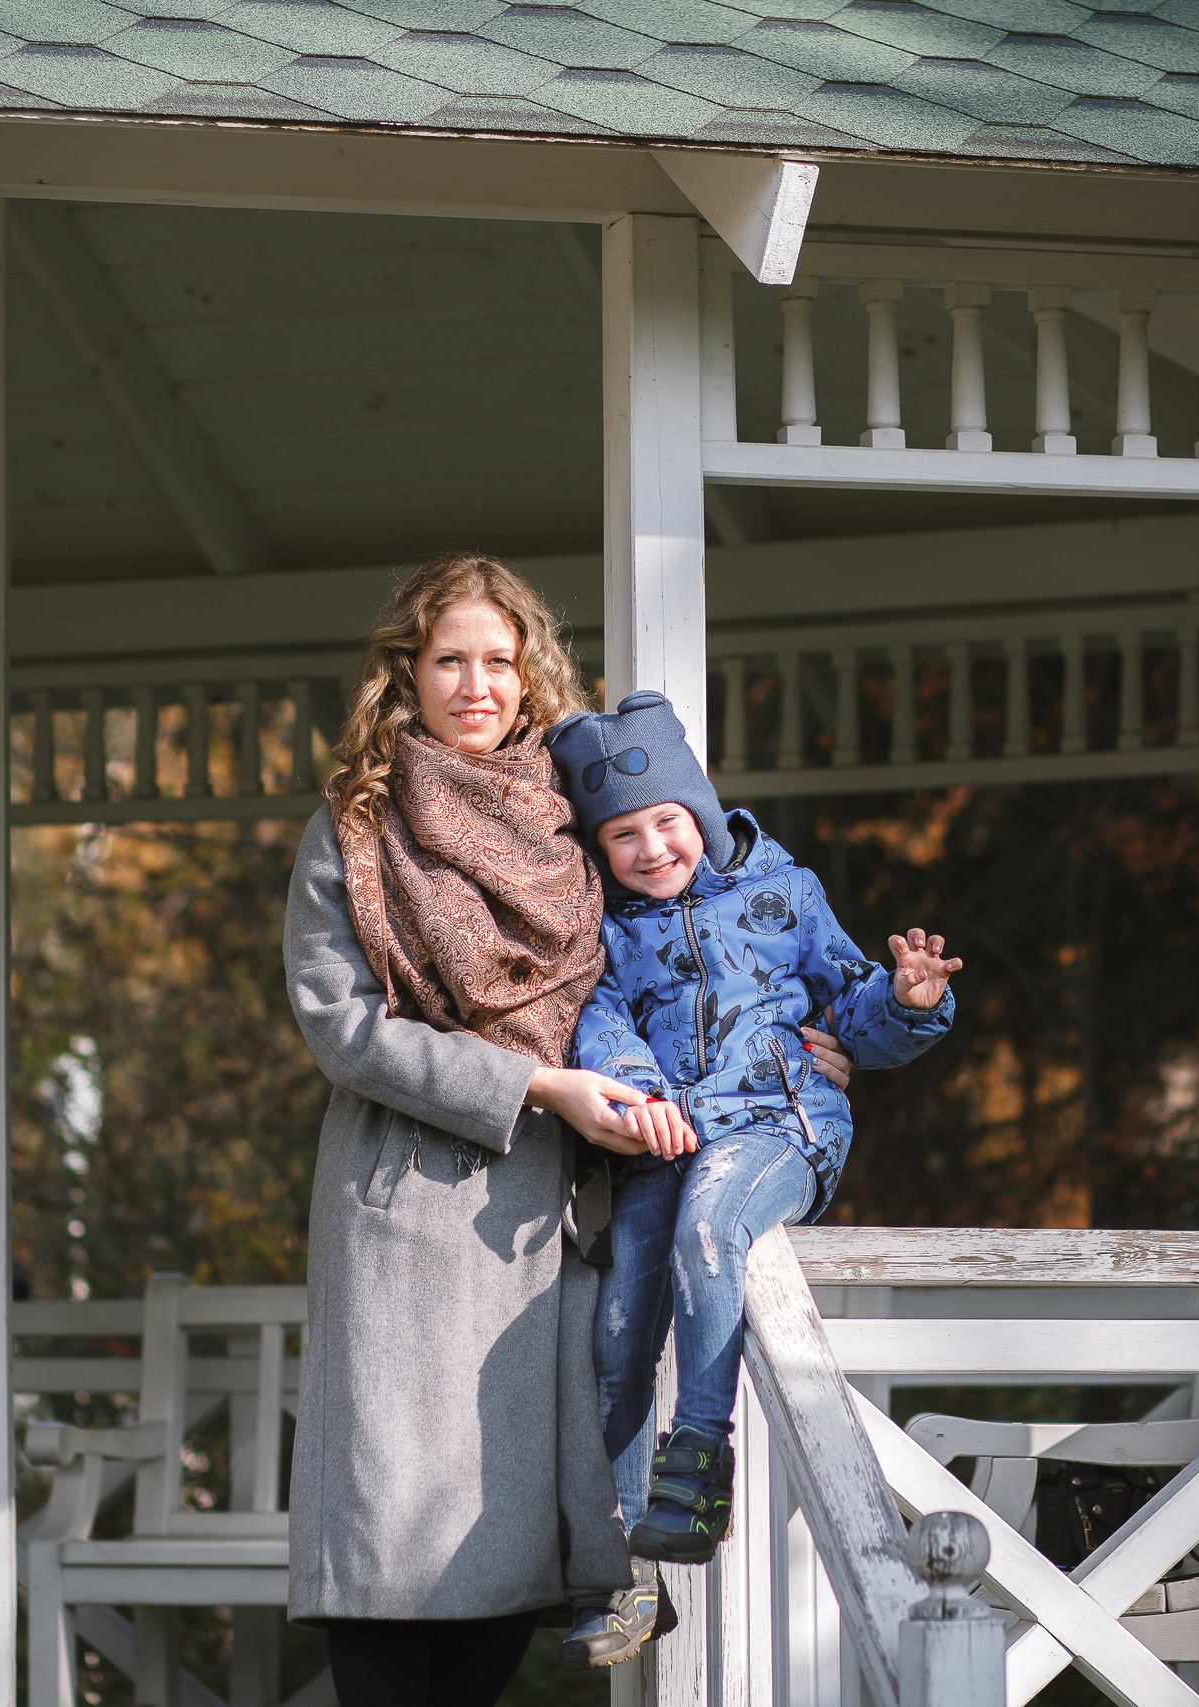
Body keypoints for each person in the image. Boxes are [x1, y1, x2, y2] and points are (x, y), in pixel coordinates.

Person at [282, 556, 856, 1707]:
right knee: (393, 1543)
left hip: (563, 1211)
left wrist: (807, 1037)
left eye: (499, 661)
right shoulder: (356, 825)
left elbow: (691, 956)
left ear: (529, 672)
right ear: (408, 671)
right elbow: (343, 1031)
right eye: (450, 660)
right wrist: (539, 1087)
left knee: (512, 1543)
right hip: (412, 1208)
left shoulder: (576, 817)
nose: (476, 685)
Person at [546, 689, 960, 1671]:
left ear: (698, 811)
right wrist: (639, 1097)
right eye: (621, 836)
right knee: (614, 1329)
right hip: (667, 1140)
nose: (650, 848)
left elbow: (850, 1009)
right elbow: (601, 1026)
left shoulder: (784, 893)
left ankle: (699, 1459)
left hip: (780, 1124)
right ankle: (620, 1571)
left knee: (709, 1227)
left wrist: (906, 1002)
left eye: (665, 822)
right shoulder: (607, 933)